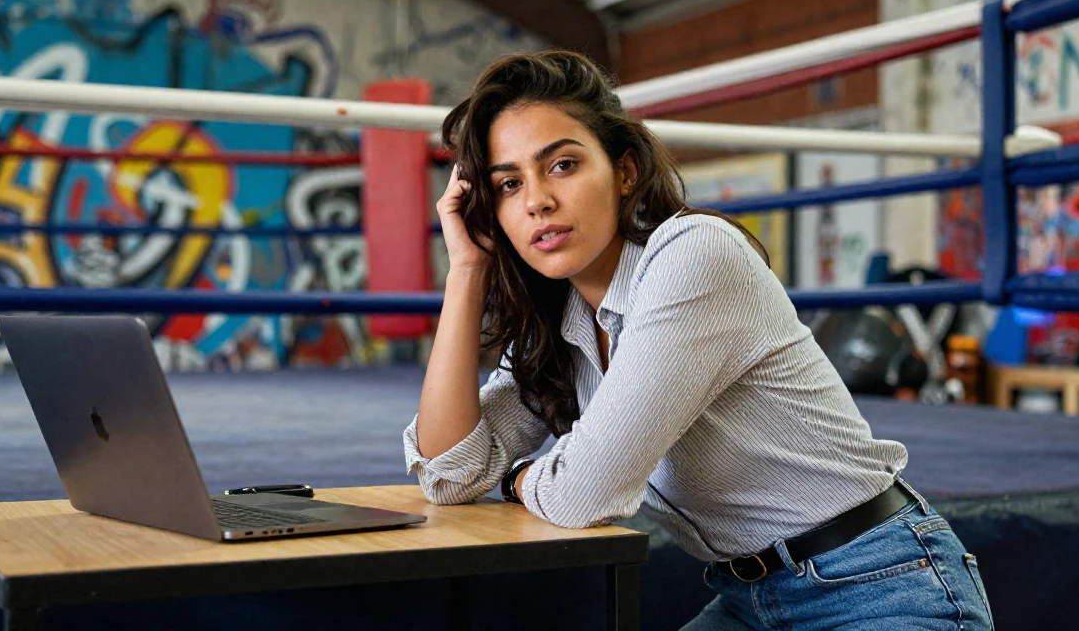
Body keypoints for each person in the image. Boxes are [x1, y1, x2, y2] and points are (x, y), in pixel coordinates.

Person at [402, 50, 994, 630]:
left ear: (625, 171)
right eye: (508, 185)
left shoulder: (693, 256)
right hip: (752, 598)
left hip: (880, 585)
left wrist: (512, 478)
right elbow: (450, 473)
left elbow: (581, 495)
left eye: (562, 165)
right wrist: (466, 271)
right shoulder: (560, 320)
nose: (537, 201)